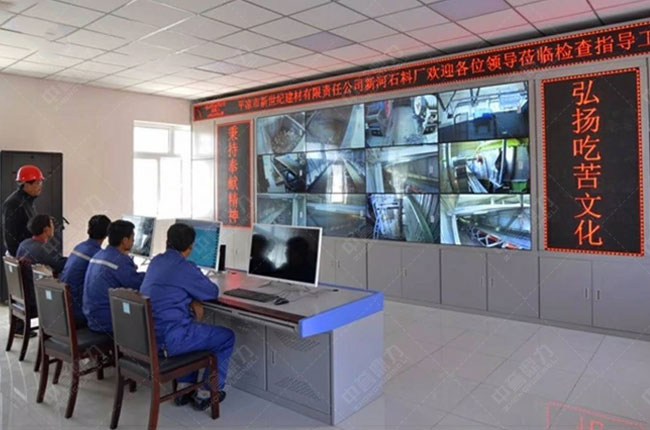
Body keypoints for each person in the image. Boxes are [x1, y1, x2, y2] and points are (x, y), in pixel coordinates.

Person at [140, 223, 234, 410]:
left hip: (149, 339)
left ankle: (184, 389)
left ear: (167, 242)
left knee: (189, 325)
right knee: (226, 337)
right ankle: (206, 393)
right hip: (169, 341)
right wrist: (192, 296)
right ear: (190, 247)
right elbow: (212, 292)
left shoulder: (156, 262)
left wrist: (188, 298)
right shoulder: (185, 267)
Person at [83, 220, 144, 333]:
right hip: (107, 322)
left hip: (92, 317)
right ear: (124, 241)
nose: (134, 240)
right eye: (132, 237)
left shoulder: (99, 255)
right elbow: (138, 285)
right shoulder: (120, 261)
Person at [59, 215, 111, 327]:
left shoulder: (79, 247)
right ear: (107, 235)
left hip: (64, 304)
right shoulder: (97, 255)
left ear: (88, 229)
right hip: (77, 310)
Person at [14, 214, 67, 321]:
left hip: (23, 295)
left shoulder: (24, 244)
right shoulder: (43, 249)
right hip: (36, 298)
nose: (54, 227)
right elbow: (60, 265)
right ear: (46, 229)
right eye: (52, 224)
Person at [3, 165, 44, 256]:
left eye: (40, 183)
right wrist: (18, 257)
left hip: (28, 252)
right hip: (21, 255)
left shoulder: (28, 201)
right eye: (37, 183)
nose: (40, 187)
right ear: (26, 184)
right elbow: (10, 235)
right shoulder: (14, 203)